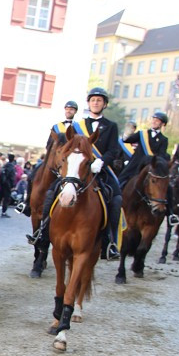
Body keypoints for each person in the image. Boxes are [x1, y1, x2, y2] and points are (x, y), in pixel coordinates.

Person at [28, 87, 123, 259]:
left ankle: (110, 241)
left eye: (99, 100)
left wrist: (101, 161)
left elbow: (113, 150)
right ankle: (42, 233)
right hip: (77, 169)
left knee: (116, 198)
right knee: (51, 192)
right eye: (93, 100)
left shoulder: (111, 126)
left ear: (104, 104)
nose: (96, 103)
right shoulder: (77, 125)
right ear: (88, 103)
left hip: (99, 169)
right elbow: (67, 146)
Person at [18, 101, 79, 215]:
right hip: (54, 158)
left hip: (66, 160)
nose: (69, 111)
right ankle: (26, 203)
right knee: (32, 176)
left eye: (71, 109)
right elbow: (48, 143)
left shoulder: (78, 128)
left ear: (75, 112)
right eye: (67, 109)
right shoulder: (56, 126)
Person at [118, 110, 170, 187]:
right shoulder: (142, 133)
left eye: (157, 121)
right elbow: (127, 140)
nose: (154, 122)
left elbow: (161, 155)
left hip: (150, 166)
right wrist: (127, 134)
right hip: (136, 163)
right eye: (153, 119)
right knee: (121, 180)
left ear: (163, 124)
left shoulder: (163, 139)